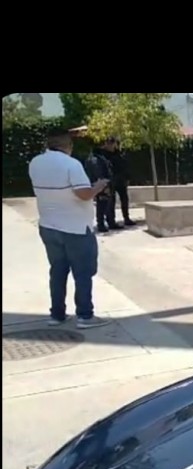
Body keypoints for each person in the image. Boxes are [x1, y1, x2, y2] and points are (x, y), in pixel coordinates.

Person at [28, 128, 111, 329]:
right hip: (76, 228)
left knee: (57, 271)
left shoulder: (35, 162)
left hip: (48, 225)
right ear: (68, 145)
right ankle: (85, 316)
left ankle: (57, 314)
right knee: (83, 273)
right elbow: (83, 194)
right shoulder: (71, 164)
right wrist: (99, 186)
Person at [85, 138, 120, 232]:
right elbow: (98, 172)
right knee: (102, 204)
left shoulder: (99, 157)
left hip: (104, 183)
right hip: (102, 184)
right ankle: (101, 224)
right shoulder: (95, 158)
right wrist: (103, 184)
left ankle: (109, 222)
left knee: (107, 204)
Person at [108, 138, 135, 226]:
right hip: (113, 180)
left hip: (121, 180)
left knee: (124, 200)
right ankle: (111, 221)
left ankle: (126, 218)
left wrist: (127, 178)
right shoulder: (108, 155)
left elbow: (125, 166)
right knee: (111, 201)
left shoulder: (121, 154)